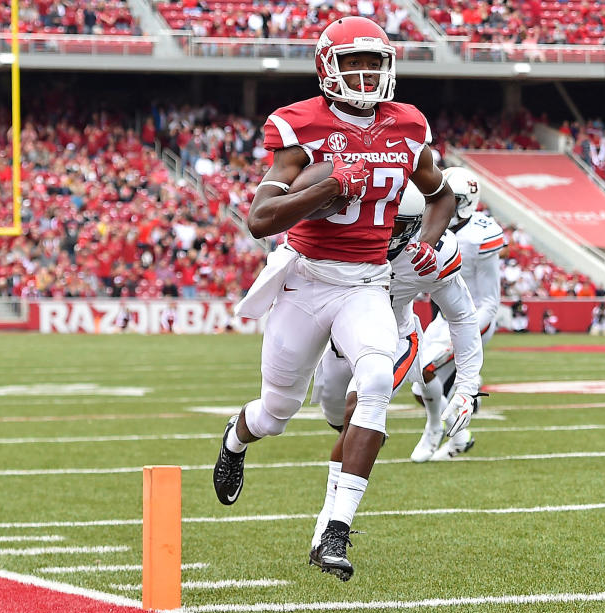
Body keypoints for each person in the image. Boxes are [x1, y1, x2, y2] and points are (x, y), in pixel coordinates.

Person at [211, 16, 454, 583]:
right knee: (274, 413)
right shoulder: (301, 127)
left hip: (367, 280)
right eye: (353, 62)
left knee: (374, 381)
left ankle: (334, 529)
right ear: (328, 67)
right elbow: (259, 219)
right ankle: (235, 437)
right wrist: (328, 184)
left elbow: (440, 195)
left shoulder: (408, 127)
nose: (366, 73)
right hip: (306, 277)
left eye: (375, 61)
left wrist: (425, 244)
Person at [310, 184, 483, 562]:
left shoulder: (431, 254)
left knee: (359, 409)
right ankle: (363, 441)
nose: (386, 232)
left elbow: (462, 316)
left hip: (394, 340)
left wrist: (467, 388)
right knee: (340, 423)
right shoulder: (344, 234)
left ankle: (330, 522)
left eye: (398, 224)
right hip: (340, 343)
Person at [410, 166, 505, 463]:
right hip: (446, 315)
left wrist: (474, 331)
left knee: (425, 371)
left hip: (475, 315)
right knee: (418, 381)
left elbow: (490, 298)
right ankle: (459, 436)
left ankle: (435, 429)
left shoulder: (480, 235)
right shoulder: (438, 226)